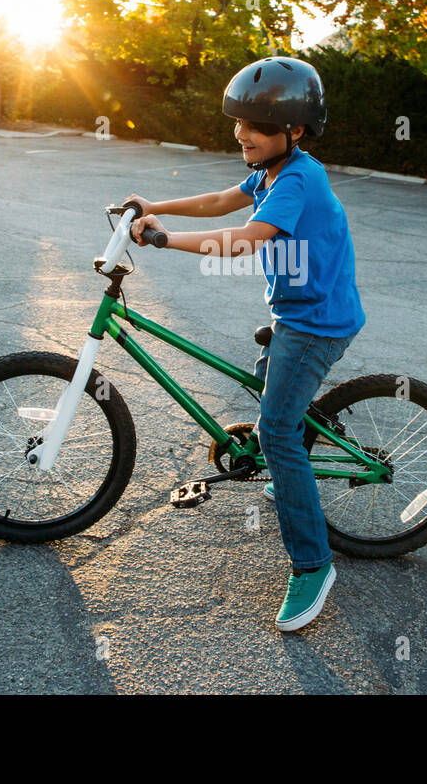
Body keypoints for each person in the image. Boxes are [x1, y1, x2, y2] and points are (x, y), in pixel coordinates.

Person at [122, 55, 366, 632]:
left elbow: (246, 241)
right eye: (239, 122)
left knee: (276, 431)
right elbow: (220, 201)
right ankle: (289, 465)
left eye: (255, 126)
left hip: (316, 325)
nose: (241, 134)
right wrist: (152, 204)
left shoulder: (299, 177)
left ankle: (312, 565)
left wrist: (162, 239)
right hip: (296, 312)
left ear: (295, 131)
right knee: (275, 413)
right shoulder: (270, 171)